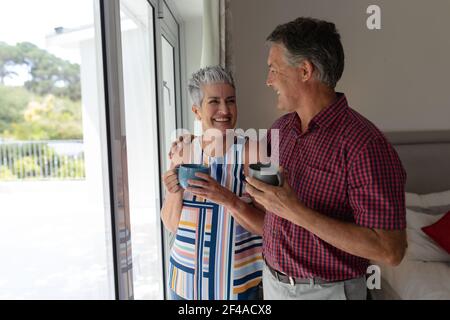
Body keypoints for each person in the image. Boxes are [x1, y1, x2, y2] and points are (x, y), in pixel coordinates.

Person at [244, 17, 408, 300]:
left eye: (273, 70)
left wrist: (295, 210)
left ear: (305, 70)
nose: (268, 80)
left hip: (328, 293)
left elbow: (390, 250)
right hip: (271, 283)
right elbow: (272, 207)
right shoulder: (279, 130)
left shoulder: (365, 145)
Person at [161, 66, 265, 300]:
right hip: (184, 284)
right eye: (214, 102)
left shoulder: (257, 151)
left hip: (238, 287)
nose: (225, 110)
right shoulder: (181, 151)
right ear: (196, 111)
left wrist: (225, 197)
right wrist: (174, 192)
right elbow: (170, 225)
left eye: (231, 101)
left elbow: (269, 227)